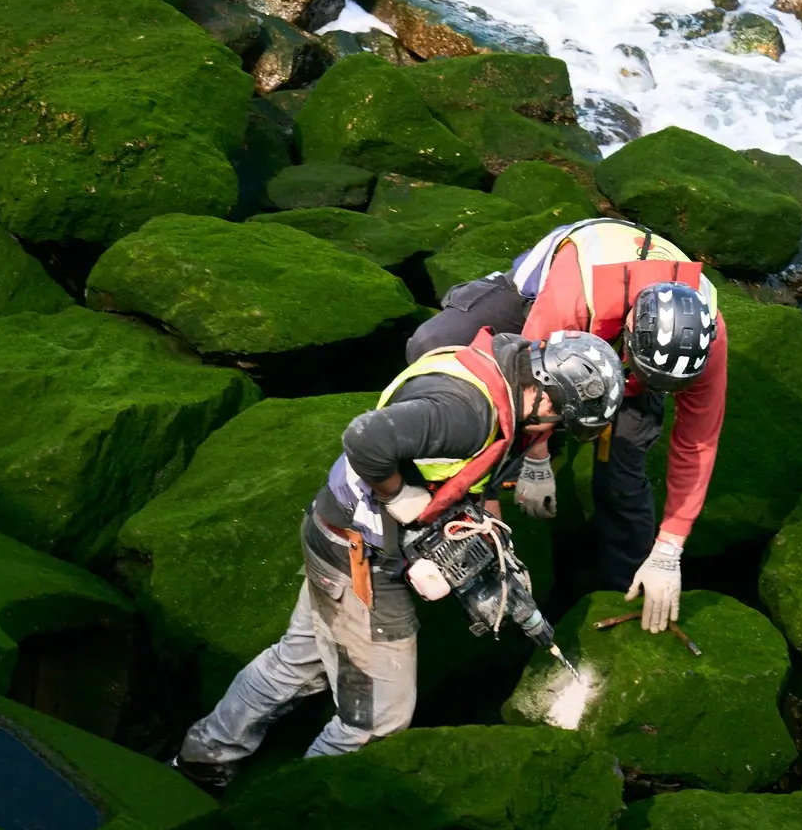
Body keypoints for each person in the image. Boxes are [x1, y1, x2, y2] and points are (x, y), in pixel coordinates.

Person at [173, 327, 624, 788]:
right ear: (546, 399)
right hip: (359, 557)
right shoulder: (465, 412)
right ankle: (288, 814)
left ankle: (201, 758)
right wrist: (398, 497)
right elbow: (365, 439)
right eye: (560, 422)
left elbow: (479, 467)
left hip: (333, 526)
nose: (553, 432)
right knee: (375, 723)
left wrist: (493, 541)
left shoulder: (508, 364)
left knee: (297, 661)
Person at [405, 218, 725, 634]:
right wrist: (531, 462)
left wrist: (670, 549)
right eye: (636, 373)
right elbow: (520, 385)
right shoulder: (576, 296)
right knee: (432, 343)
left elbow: (697, 443)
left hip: (643, 340)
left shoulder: (707, 341)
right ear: (627, 332)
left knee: (622, 475)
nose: (637, 382)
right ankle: (453, 479)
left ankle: (621, 588)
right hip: (545, 299)